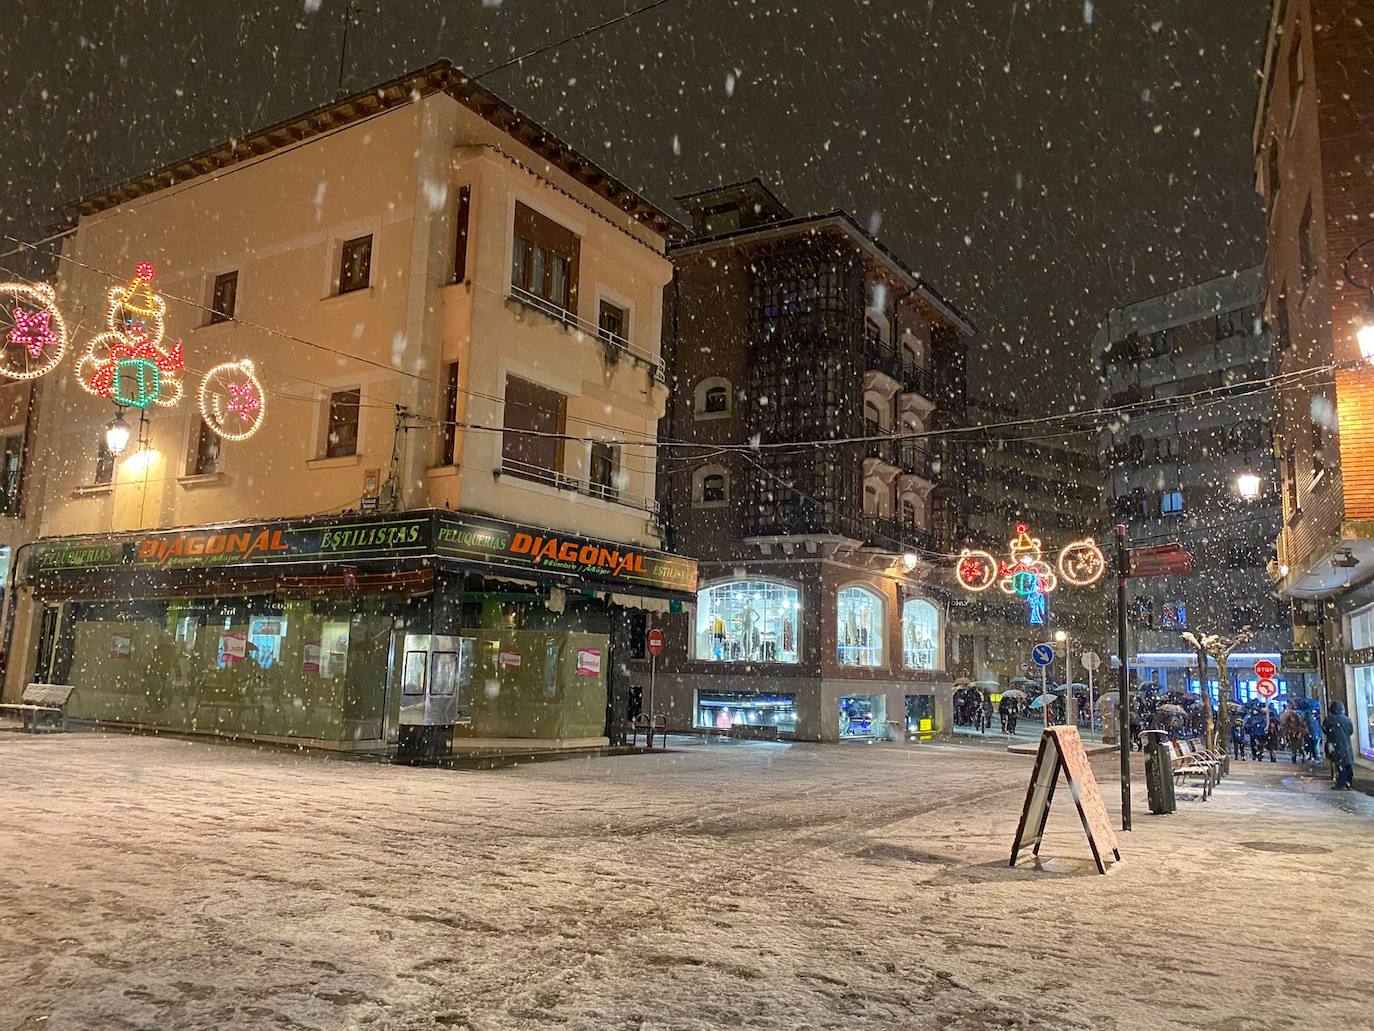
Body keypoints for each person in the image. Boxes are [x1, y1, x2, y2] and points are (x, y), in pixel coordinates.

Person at [1323, 701, 1355, 790]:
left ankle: (1341, 783)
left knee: (1340, 764)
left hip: (1335, 745)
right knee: (1348, 764)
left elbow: (1325, 730)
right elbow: (1351, 731)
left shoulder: (1329, 719)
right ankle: (1349, 782)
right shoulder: (1347, 719)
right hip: (1346, 744)